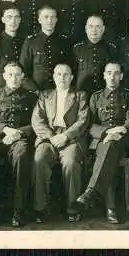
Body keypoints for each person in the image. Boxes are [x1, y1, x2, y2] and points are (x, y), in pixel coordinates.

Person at [75, 62, 129, 224]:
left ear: (121, 76)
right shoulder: (95, 97)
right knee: (108, 150)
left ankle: (93, 193)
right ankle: (110, 208)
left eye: (116, 73)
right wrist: (107, 133)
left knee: (110, 148)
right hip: (102, 140)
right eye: (109, 73)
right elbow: (89, 125)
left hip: (124, 140)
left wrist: (120, 131)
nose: (112, 77)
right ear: (104, 75)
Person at [0, 61, 38, 228]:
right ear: (4, 76)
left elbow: (37, 124)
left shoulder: (32, 97)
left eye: (18, 74)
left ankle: (18, 211)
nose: (14, 78)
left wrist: (18, 133)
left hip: (19, 139)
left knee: (22, 156)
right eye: (10, 74)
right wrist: (5, 129)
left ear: (23, 76)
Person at [31, 63, 90, 223]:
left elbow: (83, 120)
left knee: (70, 163)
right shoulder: (45, 95)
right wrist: (51, 137)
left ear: (71, 77)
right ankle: (40, 208)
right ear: (54, 77)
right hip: (49, 137)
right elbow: (37, 120)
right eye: (58, 74)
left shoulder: (80, 95)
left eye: (66, 74)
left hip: (70, 138)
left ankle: (72, 208)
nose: (62, 78)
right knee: (39, 159)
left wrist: (65, 136)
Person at [19, 5, 72, 91]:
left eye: (52, 17)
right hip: (36, 91)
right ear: (39, 20)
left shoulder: (64, 41)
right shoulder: (30, 41)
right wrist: (34, 91)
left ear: (56, 20)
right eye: (46, 17)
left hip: (59, 91)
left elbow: (70, 68)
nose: (49, 20)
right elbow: (22, 71)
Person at [72, 15, 119, 96]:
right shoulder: (76, 49)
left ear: (103, 29)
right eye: (91, 26)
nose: (94, 30)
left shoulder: (111, 49)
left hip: (104, 97)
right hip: (81, 95)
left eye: (98, 26)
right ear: (86, 28)